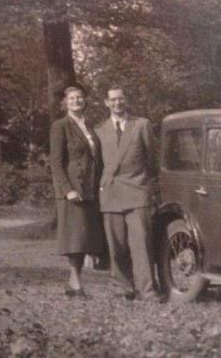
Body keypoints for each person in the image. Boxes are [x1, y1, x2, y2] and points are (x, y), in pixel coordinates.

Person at [95, 85, 161, 302]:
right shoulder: (99, 130)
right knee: (116, 244)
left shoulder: (141, 124)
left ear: (126, 100)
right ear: (106, 103)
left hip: (137, 190)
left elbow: (152, 159)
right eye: (112, 100)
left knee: (141, 243)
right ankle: (122, 288)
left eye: (121, 99)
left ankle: (148, 290)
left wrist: (144, 182)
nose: (117, 103)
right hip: (111, 192)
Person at [49, 85, 106, 298]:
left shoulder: (89, 126)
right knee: (75, 237)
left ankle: (74, 284)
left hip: (90, 188)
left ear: (85, 101)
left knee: (84, 237)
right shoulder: (60, 125)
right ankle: (75, 283)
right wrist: (67, 190)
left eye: (80, 97)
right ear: (65, 102)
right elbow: (55, 162)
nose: (76, 101)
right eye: (72, 98)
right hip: (73, 190)